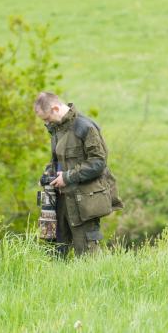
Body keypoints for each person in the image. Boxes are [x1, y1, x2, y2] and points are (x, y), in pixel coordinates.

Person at [34, 92, 123, 256]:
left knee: (88, 256)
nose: (46, 123)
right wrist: (48, 175)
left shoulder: (85, 127)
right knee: (54, 254)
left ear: (55, 108)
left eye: (46, 118)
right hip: (61, 202)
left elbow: (98, 162)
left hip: (84, 202)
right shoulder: (57, 129)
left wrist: (67, 177)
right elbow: (58, 160)